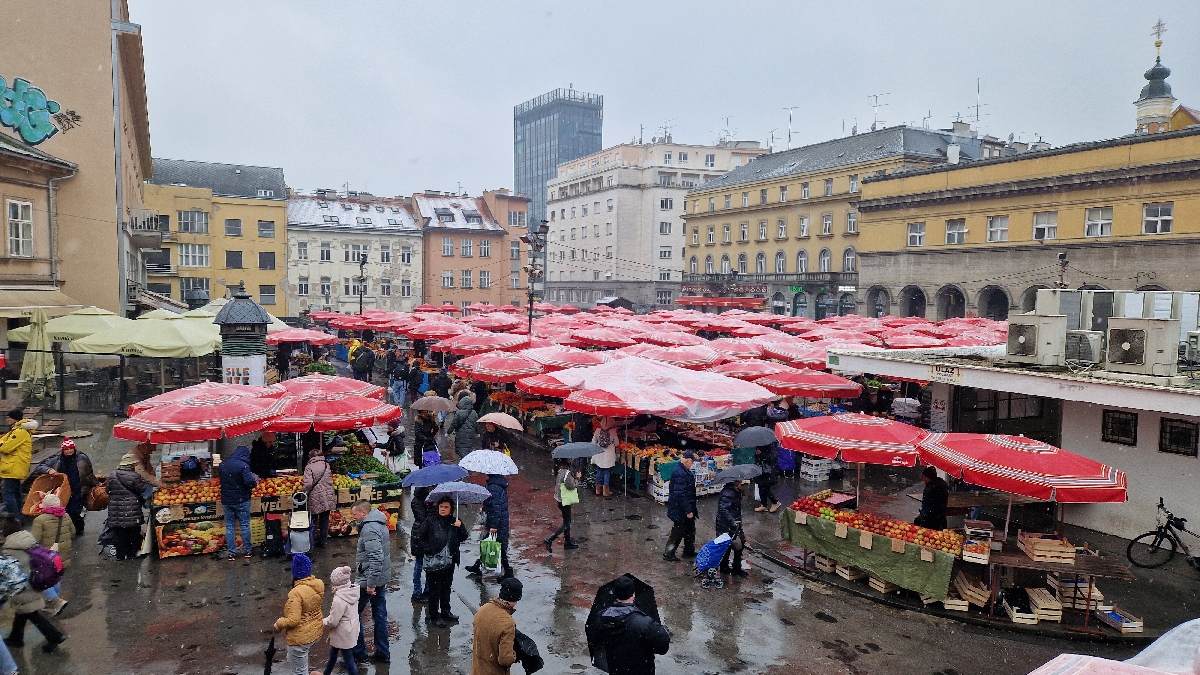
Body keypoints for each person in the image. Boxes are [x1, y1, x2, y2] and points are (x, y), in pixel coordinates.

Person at [0, 515, 67, 652]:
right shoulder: (26, 539)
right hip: (33, 579)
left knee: (30, 612)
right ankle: (16, 637)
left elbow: (10, 571)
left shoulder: (10, 549)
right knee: (23, 610)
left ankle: (55, 636)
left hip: (22, 585)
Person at [594, 576, 670, 675]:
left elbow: (597, 641)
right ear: (633, 595)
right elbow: (662, 648)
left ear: (615, 594)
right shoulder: (645, 624)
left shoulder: (601, 619)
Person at [412, 496, 467, 628]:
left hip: (450, 560)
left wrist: (461, 527)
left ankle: (446, 612)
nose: (442, 509)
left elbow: (463, 537)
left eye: (446, 507)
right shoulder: (430, 521)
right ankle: (434, 615)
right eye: (441, 506)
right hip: (435, 561)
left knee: (446, 587)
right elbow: (419, 537)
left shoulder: (455, 521)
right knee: (434, 589)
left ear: (451, 508)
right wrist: (429, 549)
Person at [27, 437, 97, 534]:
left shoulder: (82, 458)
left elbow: (89, 473)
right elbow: (40, 467)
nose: (69, 451)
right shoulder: (56, 460)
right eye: (66, 449)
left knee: (74, 512)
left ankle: (78, 529)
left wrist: (96, 484)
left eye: (71, 448)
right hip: (63, 491)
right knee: (65, 511)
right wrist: (49, 470)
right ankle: (69, 530)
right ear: (63, 450)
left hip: (78, 490)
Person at [350, 500, 391, 664]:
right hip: (379, 577)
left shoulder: (369, 529)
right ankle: (382, 651)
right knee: (380, 615)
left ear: (363, 513)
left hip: (368, 579)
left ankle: (359, 652)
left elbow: (376, 557)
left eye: (355, 514)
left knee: (353, 613)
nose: (354, 517)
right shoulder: (379, 523)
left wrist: (371, 584)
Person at [273, 553, 324, 675]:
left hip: (300, 638)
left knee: (299, 671)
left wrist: (278, 624)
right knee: (294, 659)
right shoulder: (318, 584)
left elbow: (293, 620)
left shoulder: (296, 593)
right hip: (315, 631)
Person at [31, 493, 74, 615]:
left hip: (47, 554)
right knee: (56, 577)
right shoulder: (66, 516)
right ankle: (53, 602)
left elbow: (35, 539)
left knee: (44, 579)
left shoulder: (40, 520)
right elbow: (73, 532)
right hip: (63, 552)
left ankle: (56, 601)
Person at [471, 577, 521, 675]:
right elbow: (505, 659)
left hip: (477, 670)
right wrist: (515, 655)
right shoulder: (508, 623)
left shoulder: (483, 610)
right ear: (515, 599)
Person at [467, 474, 512, 579]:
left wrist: (494, 526)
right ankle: (478, 566)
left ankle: (508, 571)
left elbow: (496, 508)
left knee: (493, 546)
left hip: (496, 522)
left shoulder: (493, 488)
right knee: (492, 545)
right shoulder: (497, 485)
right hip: (498, 521)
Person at [105, 453, 149, 560]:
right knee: (133, 531)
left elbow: (107, 490)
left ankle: (121, 554)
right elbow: (142, 489)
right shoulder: (134, 476)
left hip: (115, 509)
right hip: (131, 508)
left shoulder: (112, 475)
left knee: (119, 532)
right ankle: (134, 553)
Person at [219, 445, 259, 559]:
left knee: (230, 526)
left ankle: (231, 552)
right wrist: (255, 482)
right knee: (245, 525)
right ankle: (248, 550)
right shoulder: (244, 466)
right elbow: (249, 483)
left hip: (226, 500)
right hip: (242, 500)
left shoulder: (223, 465)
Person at [321, 565, 360, 675]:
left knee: (348, 661)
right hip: (350, 630)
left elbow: (333, 621)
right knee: (333, 652)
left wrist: (322, 622)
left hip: (342, 633)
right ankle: (327, 672)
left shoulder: (339, 599)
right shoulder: (352, 591)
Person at [0, 409, 35, 524]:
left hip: (13, 467)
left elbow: (5, 447)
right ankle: (19, 517)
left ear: (14, 418)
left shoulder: (19, 432)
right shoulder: (17, 430)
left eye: (9, 417)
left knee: (8, 494)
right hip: (14, 466)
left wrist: (2, 444)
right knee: (15, 492)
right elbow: (3, 440)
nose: (7, 419)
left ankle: (15, 519)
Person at [662, 451, 697, 562]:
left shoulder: (683, 470)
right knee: (678, 532)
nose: (692, 465)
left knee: (690, 529)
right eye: (691, 462)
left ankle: (689, 550)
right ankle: (669, 554)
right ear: (687, 460)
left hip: (685, 506)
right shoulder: (680, 473)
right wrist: (687, 510)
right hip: (680, 509)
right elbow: (679, 494)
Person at [543, 459, 579, 553]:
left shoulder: (558, 470)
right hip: (564, 500)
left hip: (560, 499)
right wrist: (577, 479)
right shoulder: (566, 472)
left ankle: (567, 542)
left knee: (567, 520)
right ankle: (550, 539)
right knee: (566, 523)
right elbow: (570, 486)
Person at [302, 449, 335, 549]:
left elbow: (308, 484)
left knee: (313, 520)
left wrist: (303, 492)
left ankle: (311, 543)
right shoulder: (326, 465)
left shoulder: (309, 467)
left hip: (315, 496)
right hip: (328, 495)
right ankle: (323, 541)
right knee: (324, 520)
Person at [715, 481, 748, 577]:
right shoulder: (729, 494)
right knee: (736, 544)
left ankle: (727, 567)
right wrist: (732, 520)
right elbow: (723, 508)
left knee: (734, 544)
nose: (741, 483)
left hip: (733, 523)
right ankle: (733, 567)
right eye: (740, 483)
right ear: (735, 484)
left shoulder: (732, 492)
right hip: (728, 524)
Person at [409, 486, 431, 601]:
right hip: (419, 534)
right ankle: (417, 592)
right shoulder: (416, 501)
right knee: (419, 564)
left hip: (430, 535)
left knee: (430, 565)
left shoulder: (432, 498)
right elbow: (422, 518)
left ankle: (428, 591)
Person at [915, 466, 949, 531]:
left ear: (928, 477)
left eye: (924, 477)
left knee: (930, 537)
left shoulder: (932, 488)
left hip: (931, 521)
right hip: (940, 518)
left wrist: (923, 516)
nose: (923, 479)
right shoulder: (940, 485)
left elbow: (928, 505)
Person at [591, 417, 618, 498]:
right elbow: (616, 443)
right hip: (608, 456)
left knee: (599, 471)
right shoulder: (613, 432)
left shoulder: (598, 431)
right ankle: (605, 491)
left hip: (599, 454)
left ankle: (597, 489)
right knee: (607, 472)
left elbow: (593, 442)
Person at [447, 392, 478, 459]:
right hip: (470, 434)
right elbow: (476, 424)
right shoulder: (474, 413)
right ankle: (467, 460)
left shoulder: (459, 413)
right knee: (469, 447)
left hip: (461, 434)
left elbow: (454, 424)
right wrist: (477, 432)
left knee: (461, 448)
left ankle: (463, 460)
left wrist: (449, 432)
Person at [753, 443, 781, 514]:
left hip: (768, 471)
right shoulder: (760, 444)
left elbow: (773, 457)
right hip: (761, 469)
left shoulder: (771, 444)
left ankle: (775, 502)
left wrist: (761, 454)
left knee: (765, 487)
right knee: (760, 485)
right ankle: (764, 505)